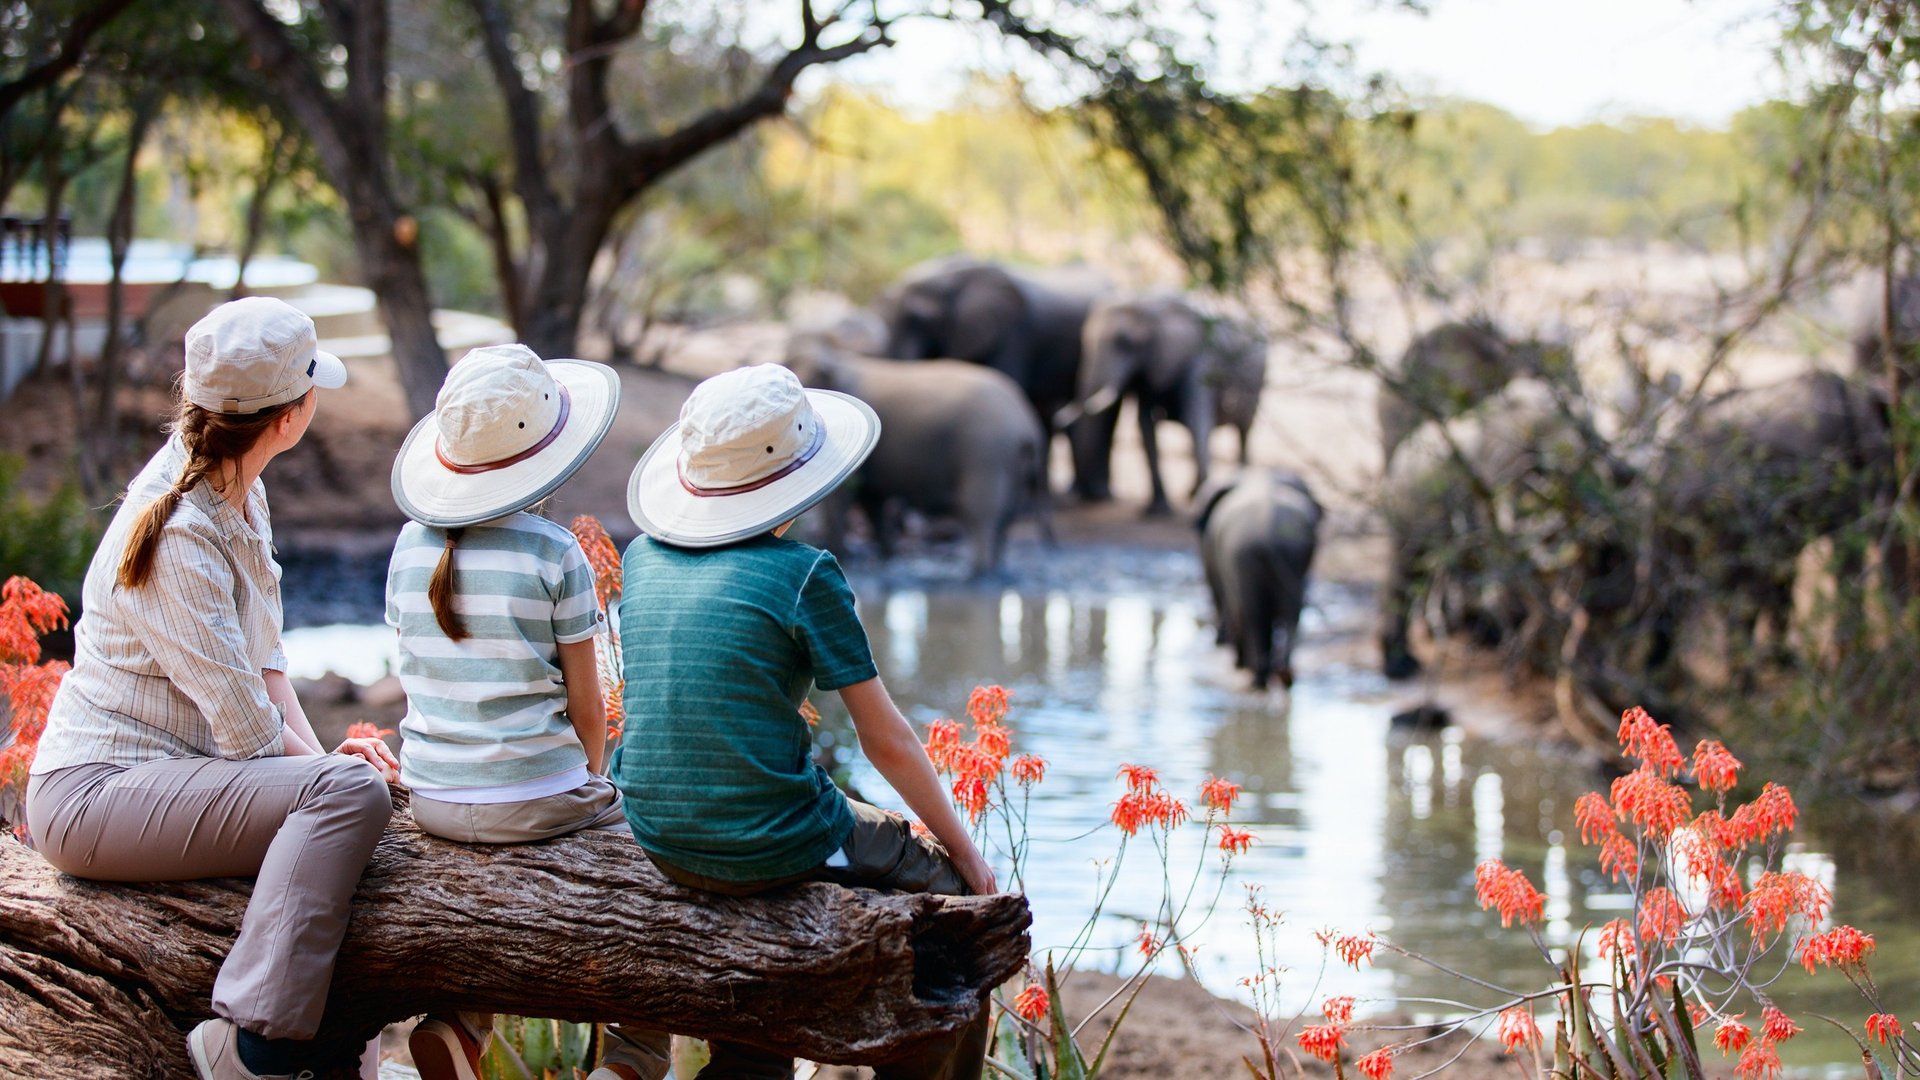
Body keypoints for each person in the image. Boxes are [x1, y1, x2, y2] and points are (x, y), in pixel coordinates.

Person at [23, 297, 401, 1080]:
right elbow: (249, 735)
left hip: (175, 780)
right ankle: (249, 1046)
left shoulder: (237, 489)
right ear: (290, 417)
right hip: (95, 794)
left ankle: (330, 1057)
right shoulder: (179, 532)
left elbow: (266, 667)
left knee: (348, 804)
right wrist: (330, 779)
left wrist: (324, 764)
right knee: (350, 796)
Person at [616, 363, 999, 1080]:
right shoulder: (804, 572)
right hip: (770, 839)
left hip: (657, 832)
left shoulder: (642, 556)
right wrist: (967, 855)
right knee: (956, 912)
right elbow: (887, 740)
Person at [385, 344, 670, 1080]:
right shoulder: (554, 552)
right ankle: (635, 1056)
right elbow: (586, 702)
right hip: (538, 796)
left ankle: (460, 1021)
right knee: (654, 874)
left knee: (483, 885)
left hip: (433, 798)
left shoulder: (408, 547)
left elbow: (418, 673)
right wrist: (594, 780)